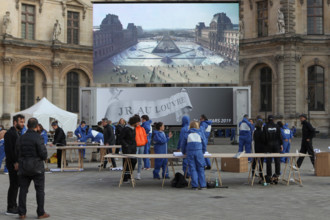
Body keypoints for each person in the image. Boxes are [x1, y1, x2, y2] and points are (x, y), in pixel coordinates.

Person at [16, 118, 49, 219]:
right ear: (36, 126)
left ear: (27, 125)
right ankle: (40, 213)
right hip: (37, 167)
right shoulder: (38, 137)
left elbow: (17, 152)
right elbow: (43, 154)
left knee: (23, 190)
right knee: (39, 190)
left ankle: (22, 213)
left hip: (24, 166)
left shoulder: (21, 137)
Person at [4, 114, 25, 215]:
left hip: (17, 163)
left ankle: (14, 204)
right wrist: (15, 162)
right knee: (13, 185)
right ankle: (11, 207)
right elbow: (9, 151)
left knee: (16, 185)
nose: (23, 124)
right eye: (21, 122)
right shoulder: (9, 133)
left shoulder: (18, 133)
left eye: (23, 122)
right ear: (15, 122)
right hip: (13, 164)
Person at [181, 121, 207, 190]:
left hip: (190, 153)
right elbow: (204, 143)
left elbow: (183, 145)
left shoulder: (187, 134)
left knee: (192, 169)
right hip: (199, 152)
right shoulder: (200, 133)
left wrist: (183, 152)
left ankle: (194, 185)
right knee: (201, 168)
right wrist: (203, 151)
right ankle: (203, 185)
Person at [263, 115, 283, 184]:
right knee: (277, 160)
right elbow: (280, 136)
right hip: (276, 145)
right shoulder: (277, 126)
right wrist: (281, 144)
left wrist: (265, 145)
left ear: (268, 119)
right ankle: (277, 174)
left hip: (268, 145)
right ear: (273, 120)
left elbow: (264, 137)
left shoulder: (265, 127)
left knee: (269, 160)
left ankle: (269, 175)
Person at [121, 115, 140, 183]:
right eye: (138, 122)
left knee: (134, 161)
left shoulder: (134, 128)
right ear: (134, 122)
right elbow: (121, 138)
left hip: (133, 148)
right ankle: (125, 177)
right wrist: (126, 145)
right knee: (126, 162)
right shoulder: (126, 128)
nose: (139, 124)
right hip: (127, 148)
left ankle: (129, 173)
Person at [135, 116, 147, 180]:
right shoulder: (133, 129)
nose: (138, 123)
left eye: (139, 121)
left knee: (140, 160)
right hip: (136, 146)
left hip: (142, 145)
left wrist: (144, 142)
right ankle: (132, 174)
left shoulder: (142, 129)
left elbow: (145, 136)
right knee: (134, 160)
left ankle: (138, 174)